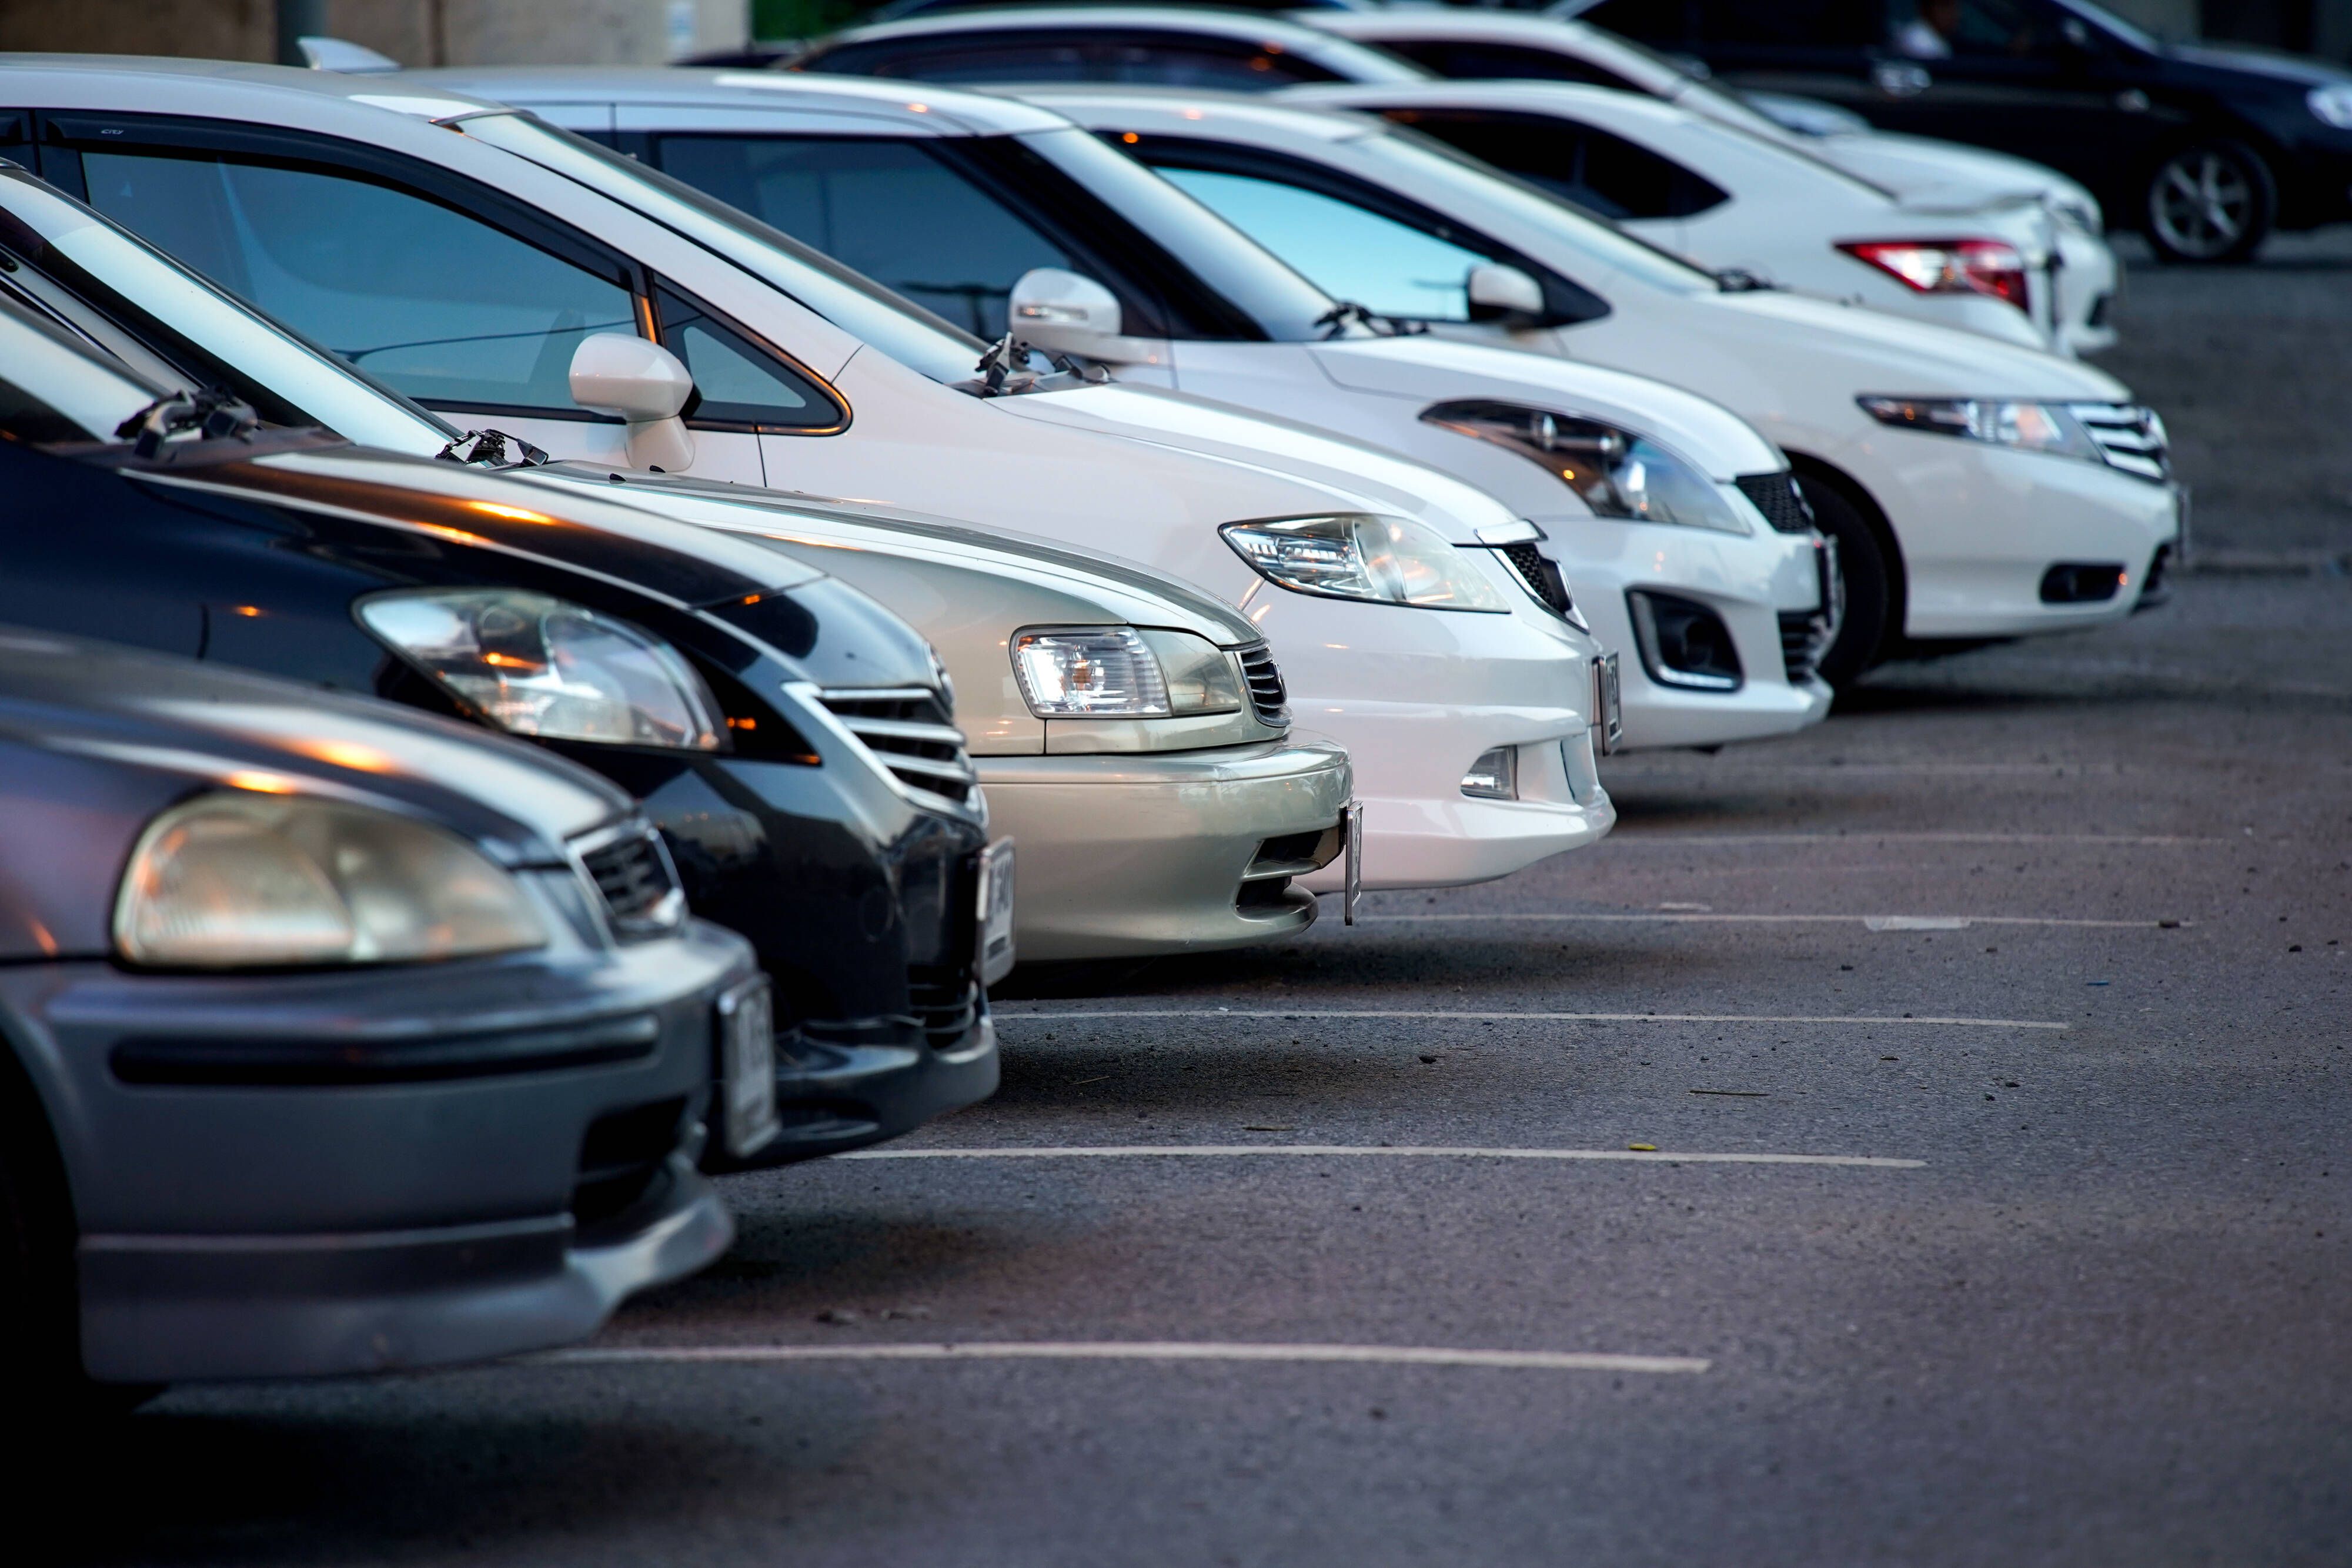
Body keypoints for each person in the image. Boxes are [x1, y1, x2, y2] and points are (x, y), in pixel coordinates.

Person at [1895, 0, 1960, 58]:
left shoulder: (1940, 37)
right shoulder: (1919, 39)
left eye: (1954, 6)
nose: (1953, 13)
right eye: (1945, 5)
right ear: (1927, 8)